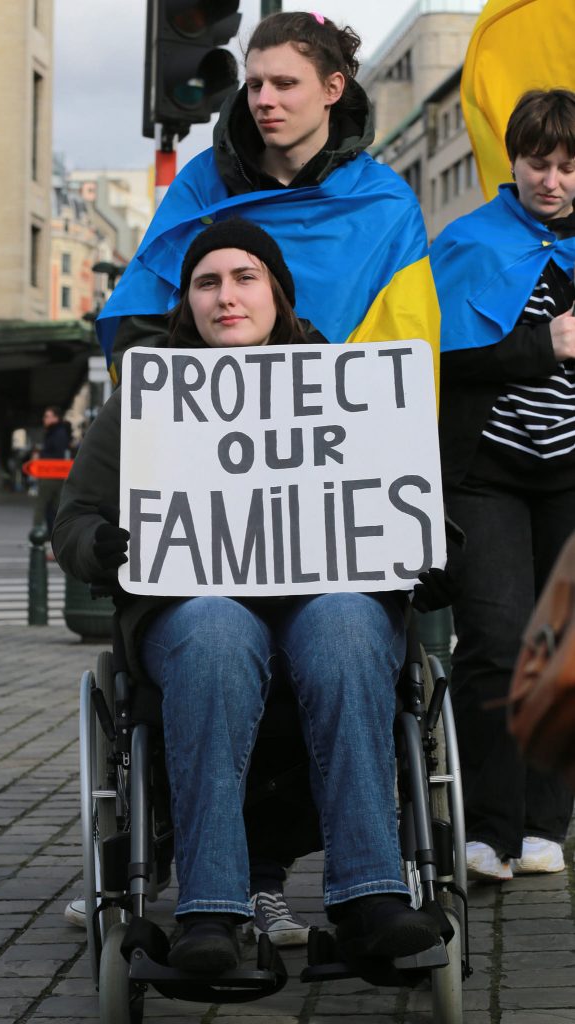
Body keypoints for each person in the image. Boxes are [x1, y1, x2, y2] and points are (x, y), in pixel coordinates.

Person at [81, 9, 440, 946]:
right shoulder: (198, 191)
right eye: (255, 82)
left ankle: (362, 892)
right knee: (206, 635)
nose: (265, 98)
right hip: (205, 563)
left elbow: (402, 374)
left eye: (285, 81)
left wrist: (416, 530)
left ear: (332, 89)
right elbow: (139, 334)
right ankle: (213, 898)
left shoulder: (384, 204)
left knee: (345, 627)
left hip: (323, 515)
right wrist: (146, 475)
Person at [431, 89, 575, 882]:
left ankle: (545, 821)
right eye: (535, 163)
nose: (550, 180)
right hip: (483, 474)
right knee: (492, 642)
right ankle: (485, 826)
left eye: (565, 165)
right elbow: (438, 363)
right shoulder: (467, 243)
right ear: (510, 161)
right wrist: (542, 344)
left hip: (569, 475)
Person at [32, 406, 72, 541]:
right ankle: (53, 538)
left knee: (42, 505)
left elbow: (56, 454)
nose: (44, 419)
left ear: (56, 418)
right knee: (53, 508)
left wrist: (41, 456)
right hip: (56, 474)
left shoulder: (57, 433)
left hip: (51, 473)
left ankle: (36, 537)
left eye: (47, 416)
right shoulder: (58, 431)